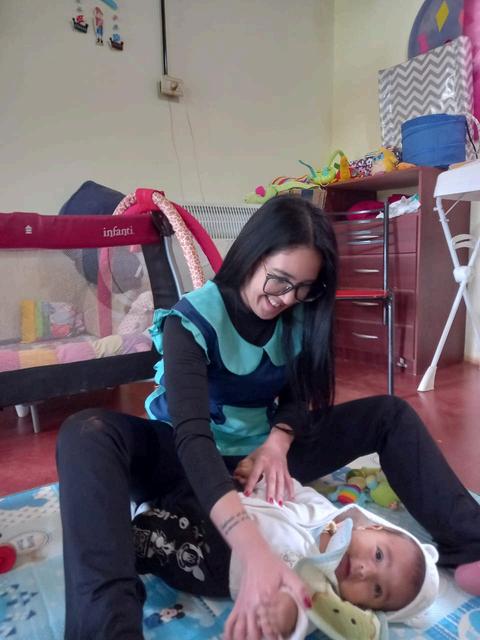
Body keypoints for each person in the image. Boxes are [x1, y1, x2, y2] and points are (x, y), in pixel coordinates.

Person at [56, 196, 480, 640]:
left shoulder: (298, 312)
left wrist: (278, 443)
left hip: (263, 461)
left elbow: (297, 393)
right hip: (185, 459)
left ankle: (470, 542)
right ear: (251, 255)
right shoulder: (192, 320)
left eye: (304, 288)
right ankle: (106, 628)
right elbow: (192, 435)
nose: (287, 298)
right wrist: (252, 549)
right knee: (87, 433)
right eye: (280, 280)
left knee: (389, 414)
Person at [132, 470, 440, 640]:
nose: (365, 571)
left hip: (213, 559)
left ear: (365, 608)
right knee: (188, 476)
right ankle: (149, 498)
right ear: (373, 527)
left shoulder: (321, 590)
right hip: (225, 504)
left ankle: (136, 524)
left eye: (377, 590)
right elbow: (290, 487)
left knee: (150, 538)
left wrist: (283, 615)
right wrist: (263, 476)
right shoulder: (326, 513)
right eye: (378, 556)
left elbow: (299, 612)